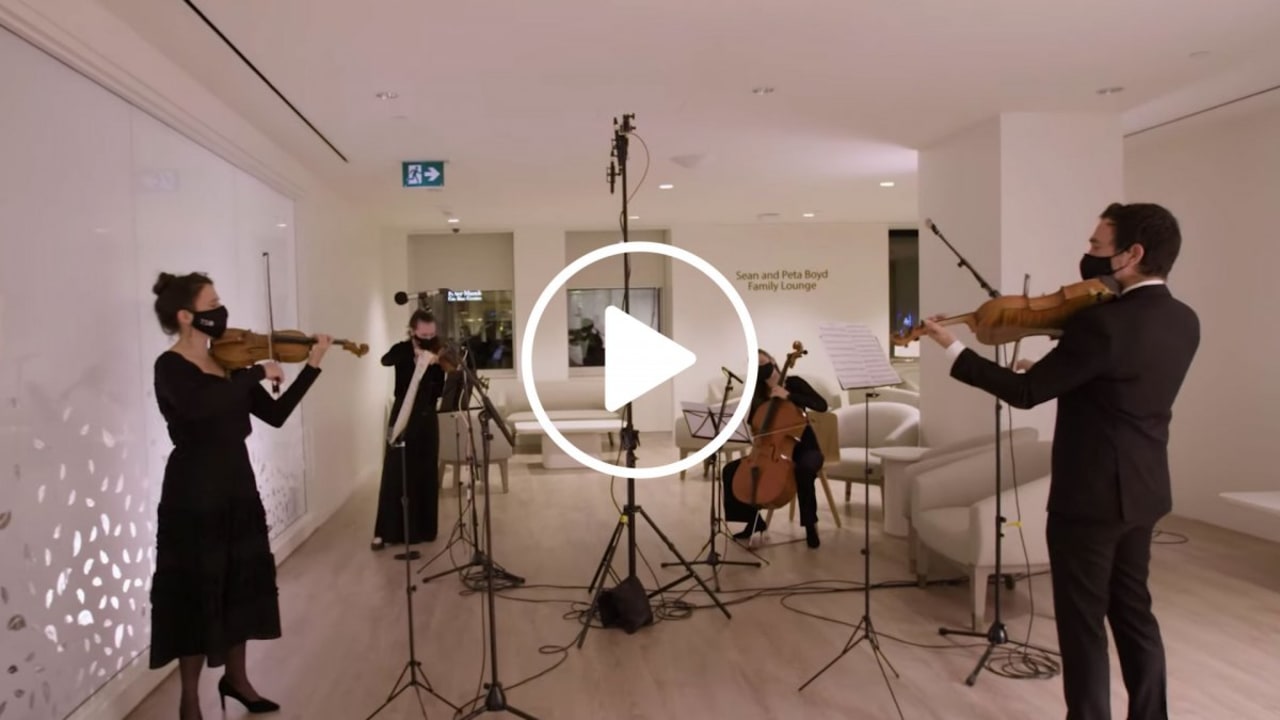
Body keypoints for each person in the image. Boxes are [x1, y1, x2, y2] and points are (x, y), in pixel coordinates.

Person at [919, 202, 1199, 720]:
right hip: (1144, 490)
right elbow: (1122, 385)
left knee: (1082, 621)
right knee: (1134, 613)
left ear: (1132, 254)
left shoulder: (1102, 324)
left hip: (1089, 497)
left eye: (1097, 245)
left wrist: (953, 348)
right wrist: (1062, 369)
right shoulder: (1184, 320)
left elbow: (1025, 393)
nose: (1087, 254)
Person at [149, 272, 331, 720]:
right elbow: (198, 408)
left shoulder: (227, 362)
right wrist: (255, 372)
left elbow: (276, 414)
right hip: (193, 489)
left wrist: (312, 366)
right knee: (196, 589)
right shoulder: (171, 366)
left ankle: (237, 679)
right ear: (186, 316)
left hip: (236, 483)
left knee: (240, 585)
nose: (221, 310)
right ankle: (189, 699)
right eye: (212, 304)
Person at [721, 349, 828, 549]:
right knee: (729, 471)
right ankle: (753, 522)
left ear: (772, 361)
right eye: (755, 366)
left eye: (762, 363)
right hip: (769, 450)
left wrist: (789, 395)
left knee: (804, 470)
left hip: (804, 448)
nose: (760, 368)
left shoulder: (794, 383)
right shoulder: (759, 392)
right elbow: (755, 424)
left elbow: (822, 405)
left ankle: (810, 526)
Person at [371, 310, 445, 550]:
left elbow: (440, 389)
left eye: (432, 334)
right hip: (403, 415)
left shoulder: (438, 351)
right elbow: (385, 360)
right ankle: (387, 532)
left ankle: (424, 529)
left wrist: (436, 363)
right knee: (395, 471)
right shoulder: (401, 349)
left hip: (427, 418)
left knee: (425, 471)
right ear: (413, 331)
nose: (428, 339)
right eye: (424, 335)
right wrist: (414, 354)